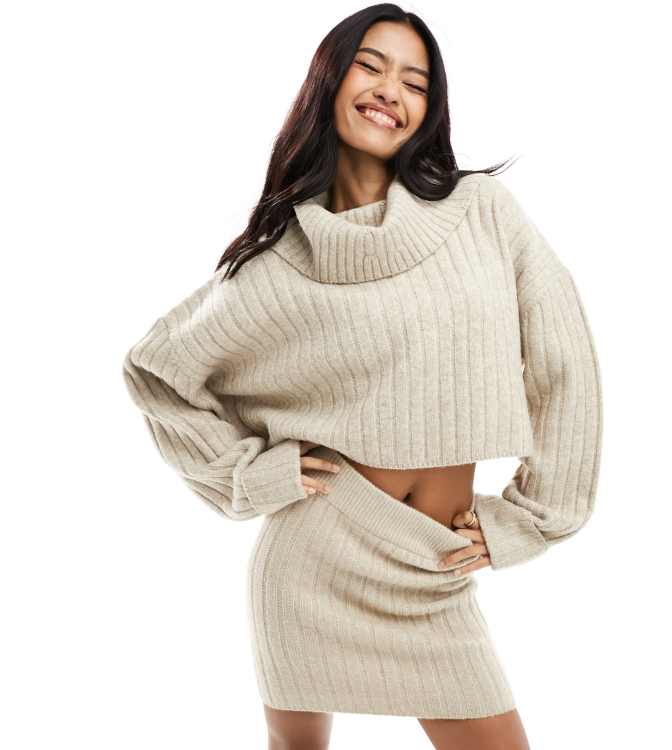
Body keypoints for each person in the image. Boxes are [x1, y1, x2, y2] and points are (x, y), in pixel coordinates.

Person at [121, 6, 602, 750]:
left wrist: (537, 516)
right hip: (311, 564)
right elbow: (157, 370)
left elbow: (564, 361)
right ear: (330, 80)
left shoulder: (481, 212)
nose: (390, 91)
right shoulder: (280, 260)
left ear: (429, 109)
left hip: (434, 567)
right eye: (370, 66)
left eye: (415, 81)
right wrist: (251, 474)